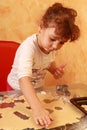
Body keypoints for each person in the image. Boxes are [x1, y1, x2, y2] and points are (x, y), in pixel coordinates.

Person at [7, 2, 80, 128]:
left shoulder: (51, 48)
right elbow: (23, 80)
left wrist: (54, 70)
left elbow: (47, 61)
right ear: (41, 27)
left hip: (37, 88)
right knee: (19, 121)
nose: (56, 46)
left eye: (62, 42)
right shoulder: (28, 48)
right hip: (16, 90)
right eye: (52, 39)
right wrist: (37, 109)